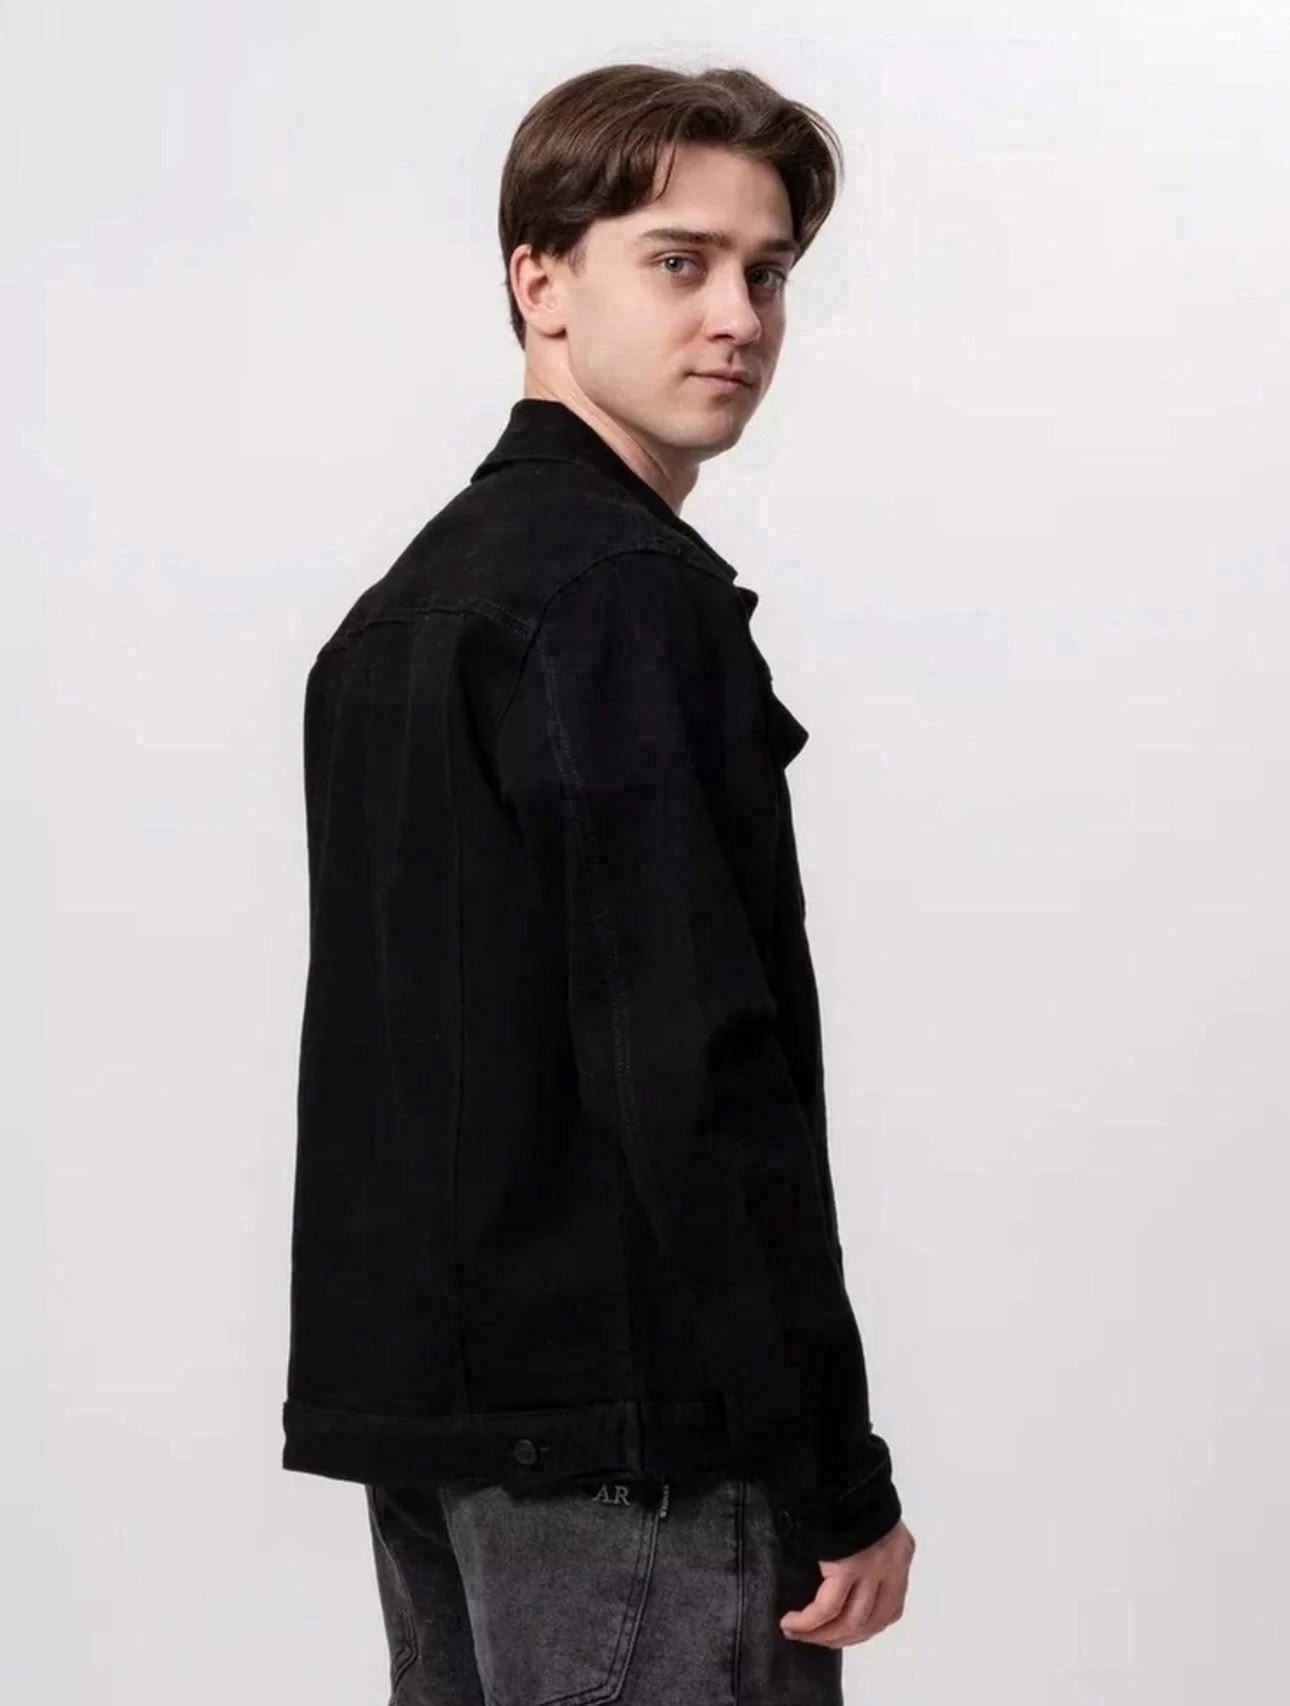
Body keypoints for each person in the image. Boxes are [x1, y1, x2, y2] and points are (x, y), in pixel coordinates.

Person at [282, 60, 916, 1702]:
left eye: (766, 272)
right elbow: (695, 1065)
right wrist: (834, 1465)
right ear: (540, 279)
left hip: (443, 1436)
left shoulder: (404, 611)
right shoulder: (623, 599)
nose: (737, 318)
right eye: (677, 260)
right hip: (639, 1448)